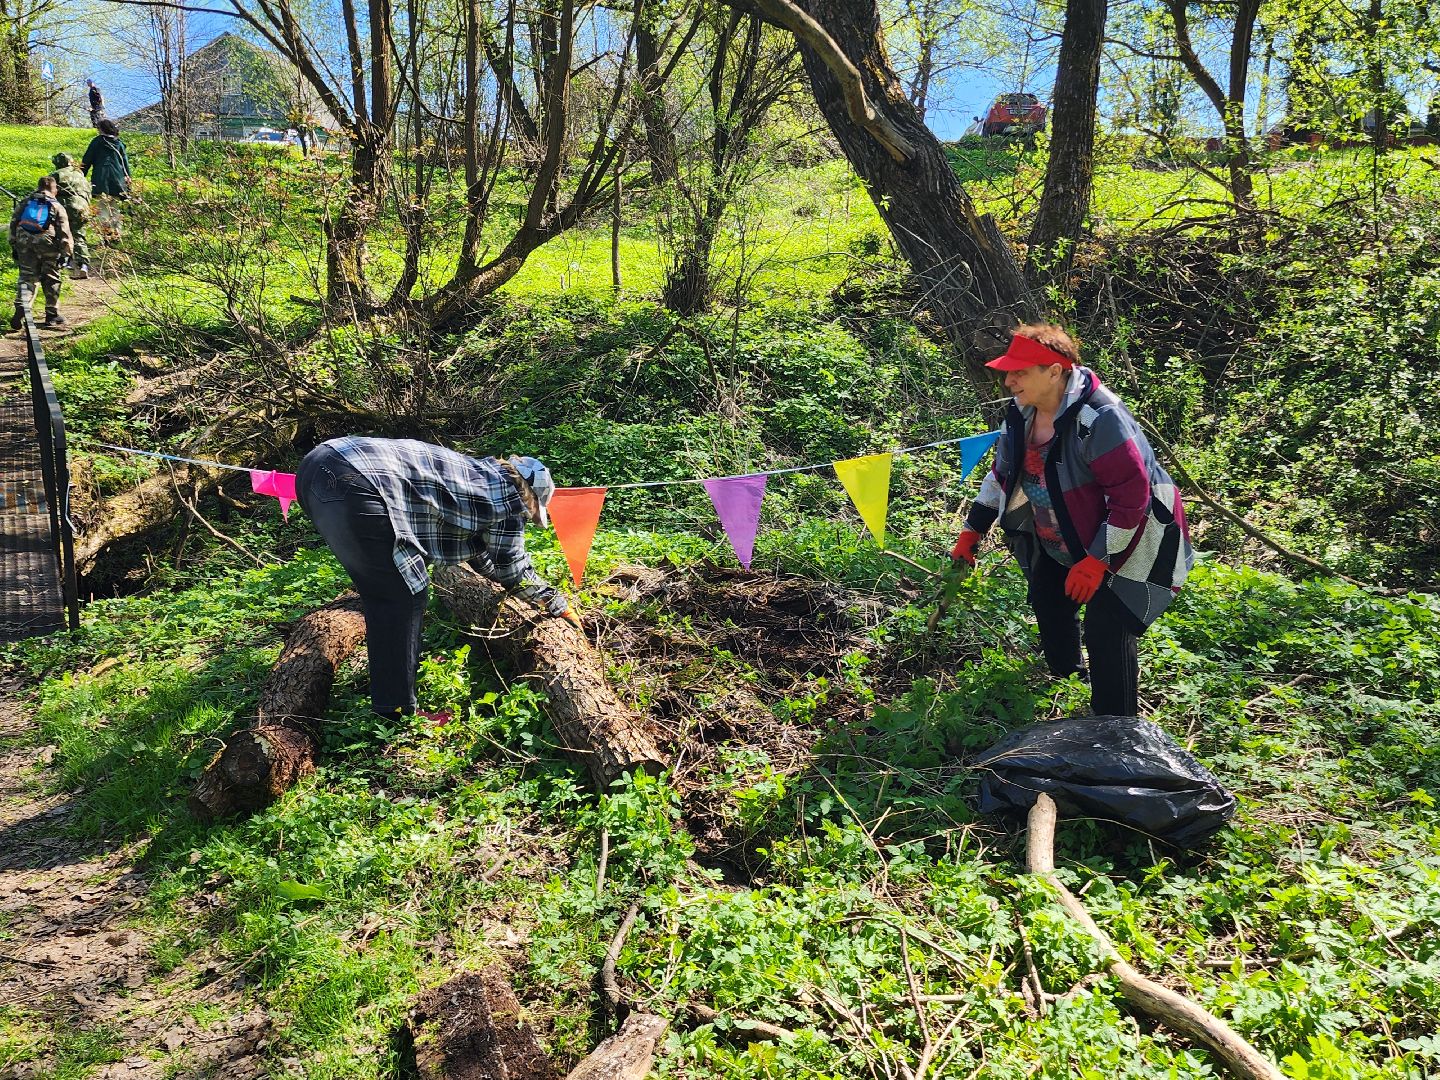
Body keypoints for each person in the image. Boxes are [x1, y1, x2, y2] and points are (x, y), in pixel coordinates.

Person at [950, 325, 1193, 717]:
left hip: (1131, 534)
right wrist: (971, 530)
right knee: (1048, 598)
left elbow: (1132, 500)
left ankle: (1116, 726)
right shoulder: (1020, 412)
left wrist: (1097, 560)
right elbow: (1002, 474)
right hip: (1058, 531)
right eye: (1007, 372)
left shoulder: (1101, 419)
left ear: (1055, 370)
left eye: (1020, 372)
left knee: (1108, 627)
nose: (1008, 380)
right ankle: (1067, 680)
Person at [296, 437, 580, 718]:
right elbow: (513, 569)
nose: (528, 516)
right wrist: (555, 602)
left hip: (316, 465)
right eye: (532, 512)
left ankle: (390, 694)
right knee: (401, 596)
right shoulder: (510, 499)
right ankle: (395, 712)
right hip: (355, 478)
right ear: (531, 496)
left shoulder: (480, 476)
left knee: (384, 593)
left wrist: (497, 581)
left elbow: (480, 554)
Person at [9, 176, 73, 330]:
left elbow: (13, 223)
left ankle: (22, 305)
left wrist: (14, 245)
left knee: (27, 277)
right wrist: (67, 253)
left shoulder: (25, 202)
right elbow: (64, 231)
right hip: (47, 243)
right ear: (54, 189)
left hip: (24, 242)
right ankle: (52, 315)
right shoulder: (56, 205)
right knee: (51, 278)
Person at [49, 152, 92, 279]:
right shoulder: (80, 175)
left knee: (61, 233)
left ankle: (64, 261)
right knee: (79, 235)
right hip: (83, 206)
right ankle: (83, 265)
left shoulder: (57, 174)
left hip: (66, 206)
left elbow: (47, 191)